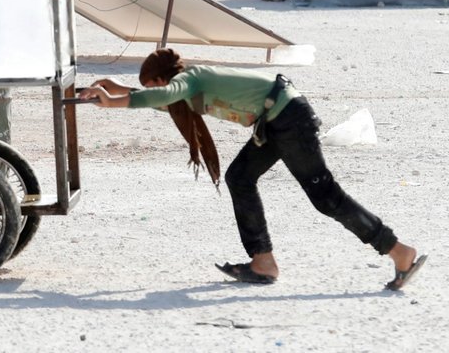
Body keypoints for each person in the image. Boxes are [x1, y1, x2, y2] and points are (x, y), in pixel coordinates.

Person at [79, 48, 427, 291]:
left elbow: (163, 95)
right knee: (240, 178)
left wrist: (117, 101)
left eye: (154, 86)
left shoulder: (191, 79)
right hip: (273, 121)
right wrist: (112, 91)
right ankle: (263, 261)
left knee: (326, 198)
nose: (159, 94)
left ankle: (399, 251)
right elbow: (160, 99)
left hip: (289, 117)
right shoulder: (183, 90)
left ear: (164, 79)